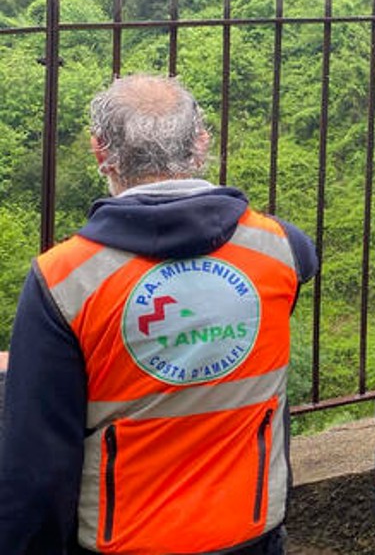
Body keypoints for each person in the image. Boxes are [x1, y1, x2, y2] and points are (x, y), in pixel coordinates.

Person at [0, 74, 317, 554]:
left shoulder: (63, 280)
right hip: (251, 530)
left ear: (101, 151)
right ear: (201, 143)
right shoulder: (283, 250)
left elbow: (36, 463)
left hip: (125, 540)